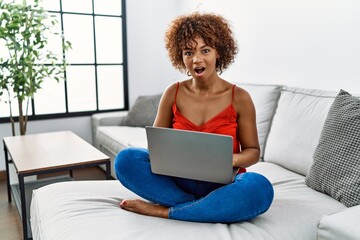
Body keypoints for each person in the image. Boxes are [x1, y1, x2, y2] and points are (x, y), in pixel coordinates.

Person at [114, 12, 274, 223]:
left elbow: (253, 153)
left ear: (219, 52)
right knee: (125, 159)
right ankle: (199, 206)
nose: (196, 59)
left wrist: (228, 160)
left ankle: (167, 211)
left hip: (223, 184)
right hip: (178, 182)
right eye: (188, 52)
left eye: (205, 50)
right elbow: (156, 146)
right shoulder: (173, 92)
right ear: (180, 56)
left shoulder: (240, 97)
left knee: (259, 188)